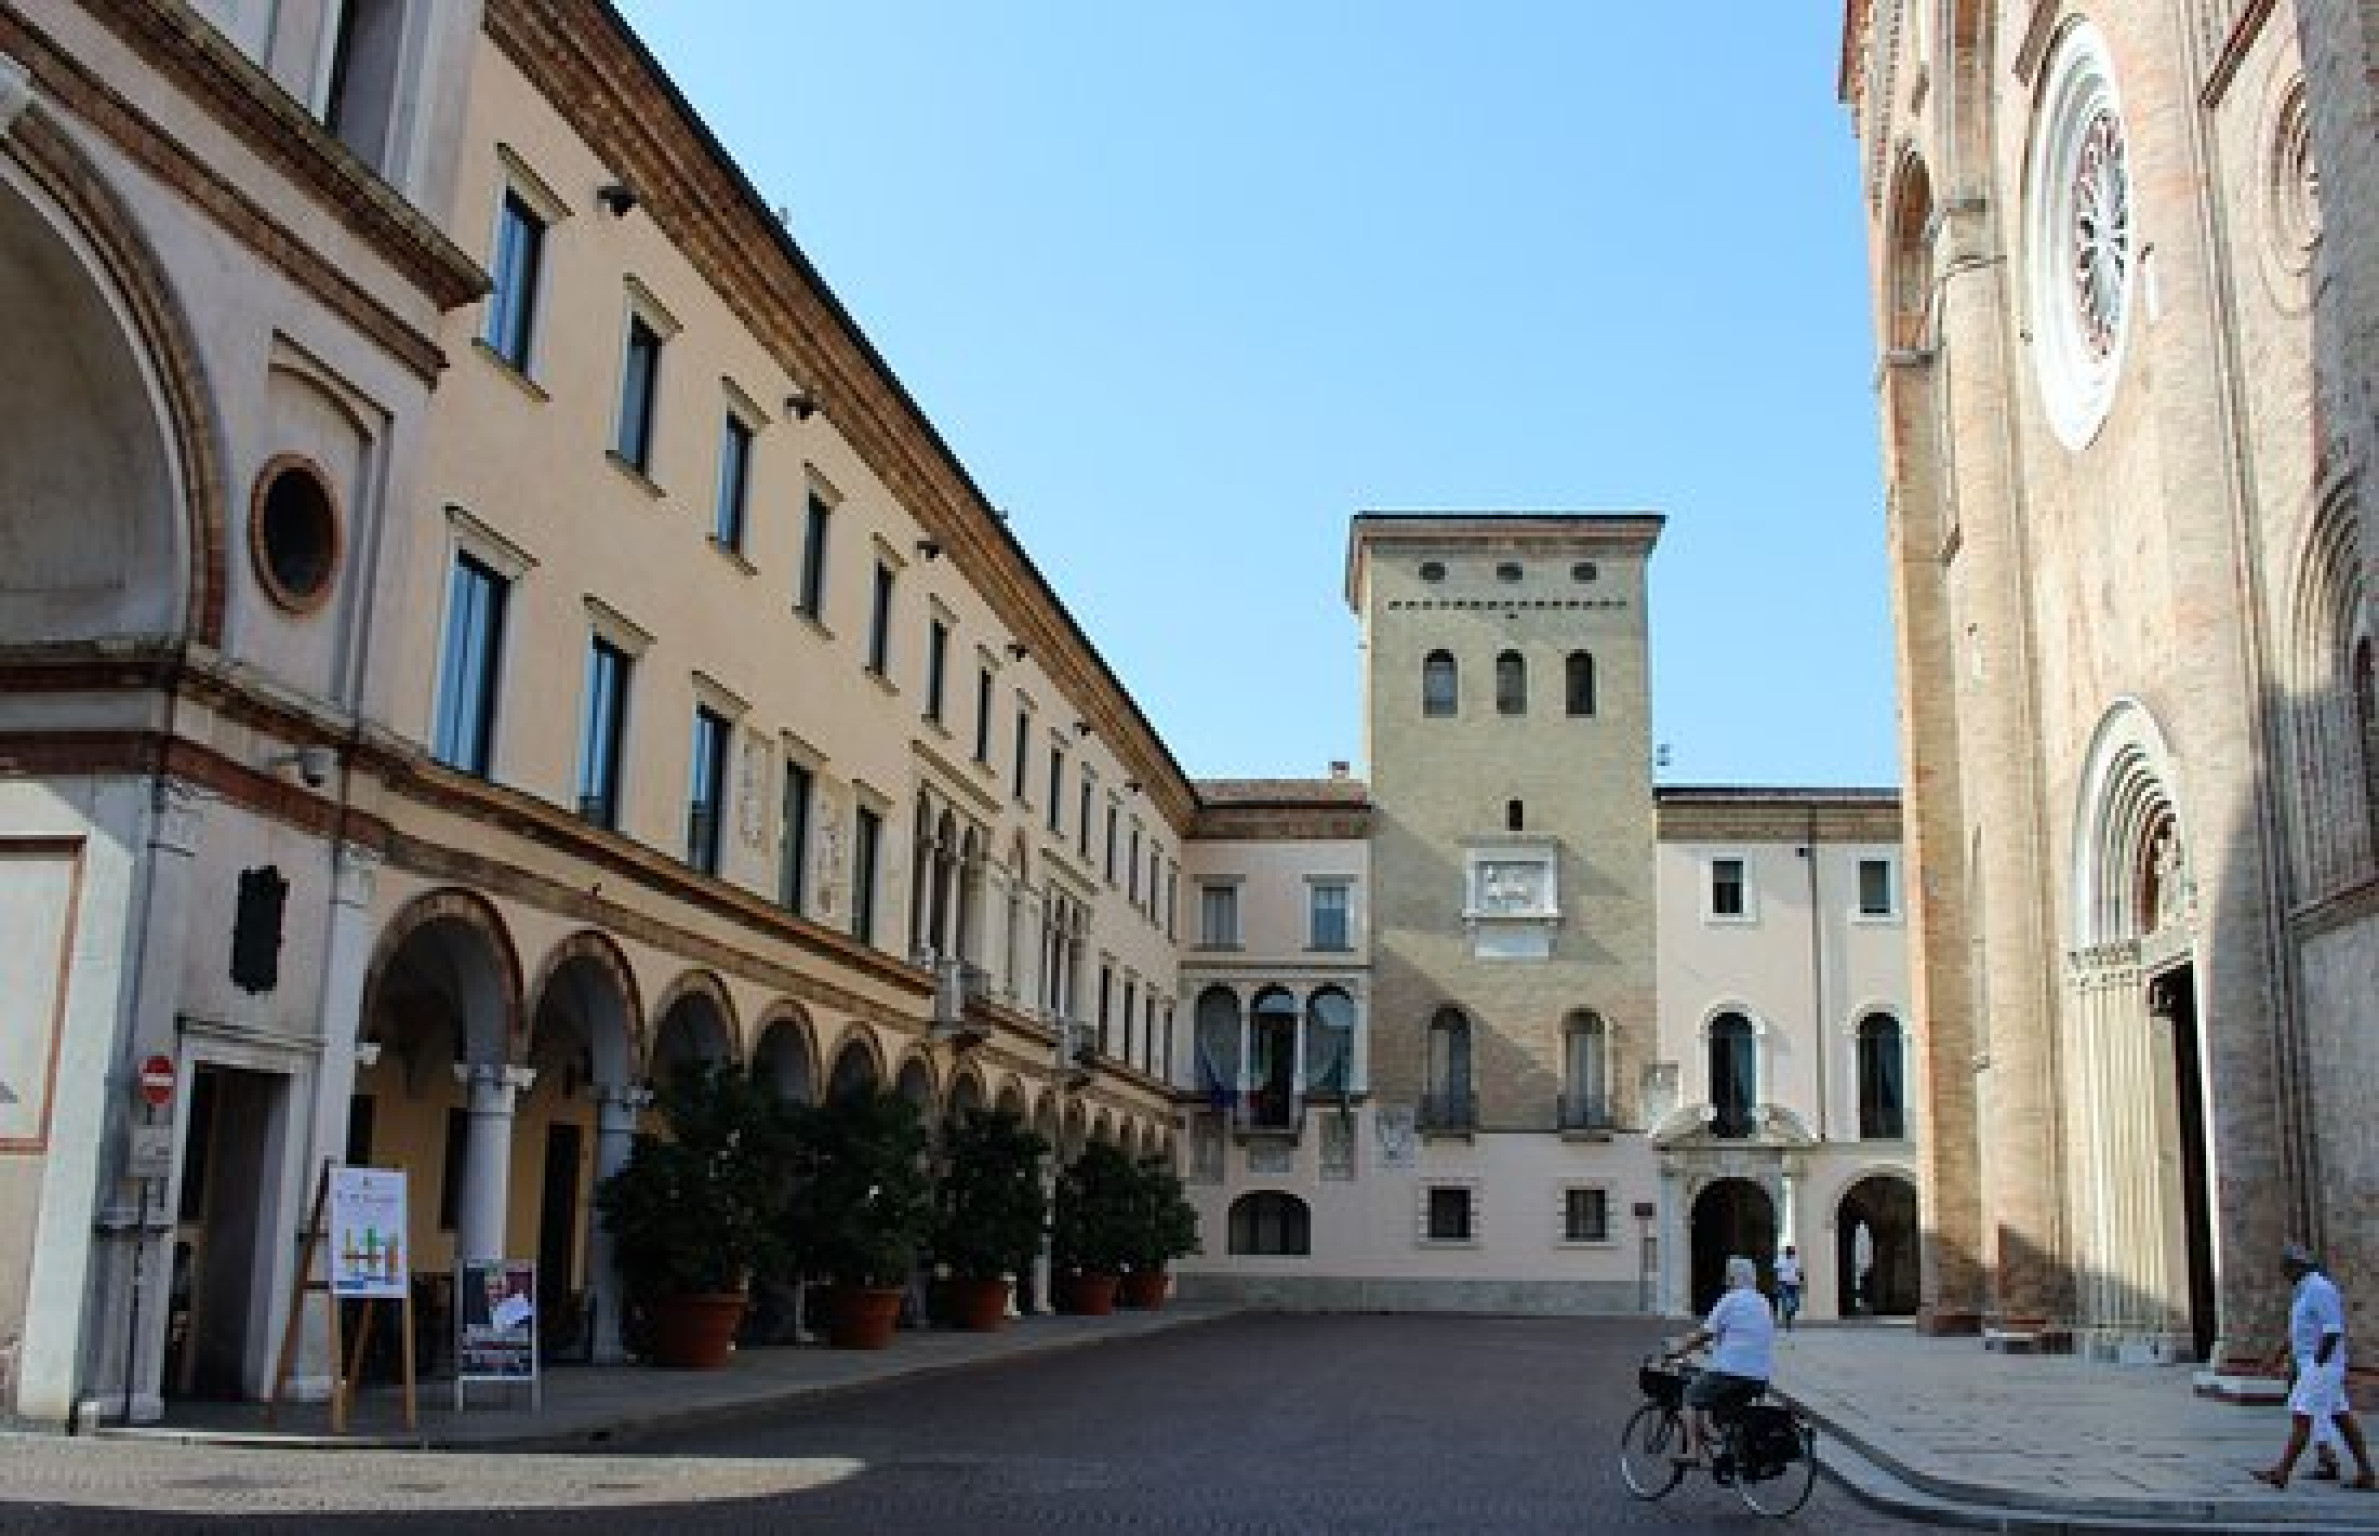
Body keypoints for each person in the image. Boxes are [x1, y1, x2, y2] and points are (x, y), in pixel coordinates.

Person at [2254, 1243, 2376, 1491]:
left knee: (2302, 1416)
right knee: (2341, 1418)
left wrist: (2319, 1366)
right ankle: (2367, 1473)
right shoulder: (2303, 1291)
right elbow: (2299, 1331)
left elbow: (2333, 1329)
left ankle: (2282, 1471)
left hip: (2322, 1364)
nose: (2285, 1276)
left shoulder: (2320, 1289)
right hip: (2314, 1364)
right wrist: (2279, 1355)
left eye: (2286, 1270)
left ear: (2297, 1267)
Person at [1672, 1254, 1776, 1469]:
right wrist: (1716, 1348)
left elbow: (1704, 1333)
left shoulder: (1730, 1300)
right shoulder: (1763, 1301)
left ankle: (1693, 1451)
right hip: (1759, 1376)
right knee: (1719, 1401)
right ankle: (1719, 1441)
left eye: (1728, 1277)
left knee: (1690, 1396)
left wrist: (1677, 1350)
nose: (1725, 1281)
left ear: (1733, 1279)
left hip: (1732, 1372)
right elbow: (1745, 1335)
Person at [1773, 1245, 1804, 1334]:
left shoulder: (1796, 1260)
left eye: (1793, 1252)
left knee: (1796, 1304)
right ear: (1787, 1253)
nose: (1792, 1254)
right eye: (1791, 1252)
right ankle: (1788, 1322)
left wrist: (1802, 1280)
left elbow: (1799, 1271)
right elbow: (1776, 1272)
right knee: (1787, 1303)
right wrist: (1777, 1284)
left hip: (1795, 1284)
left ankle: (1789, 1315)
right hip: (1784, 1284)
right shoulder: (1780, 1260)